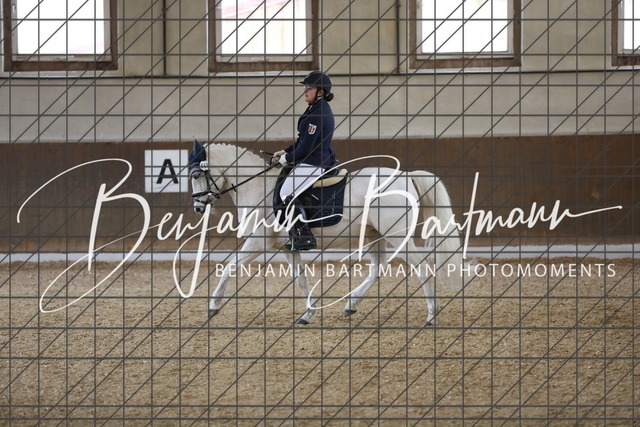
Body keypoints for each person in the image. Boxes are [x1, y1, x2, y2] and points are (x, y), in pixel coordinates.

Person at [273, 71, 336, 251]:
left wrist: (286, 159)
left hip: (315, 161)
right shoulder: (314, 108)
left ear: (321, 92)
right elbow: (303, 141)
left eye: (310, 88)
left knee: (286, 193)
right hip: (312, 159)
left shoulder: (319, 113)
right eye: (306, 87)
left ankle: (305, 236)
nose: (305, 90)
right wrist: (285, 151)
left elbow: (306, 148)